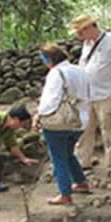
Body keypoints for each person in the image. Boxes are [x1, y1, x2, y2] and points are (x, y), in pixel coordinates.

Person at [71, 14, 111, 178]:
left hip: (106, 95)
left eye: (80, 32)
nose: (79, 36)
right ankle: (83, 163)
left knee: (109, 131)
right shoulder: (86, 45)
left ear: (90, 27)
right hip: (86, 96)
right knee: (85, 131)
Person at [33, 44, 91, 206]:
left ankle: (65, 194)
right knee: (68, 153)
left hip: (60, 123)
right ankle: (80, 182)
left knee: (58, 158)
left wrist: (38, 116)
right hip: (80, 120)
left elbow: (50, 101)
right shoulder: (81, 71)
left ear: (49, 60)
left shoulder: (56, 73)